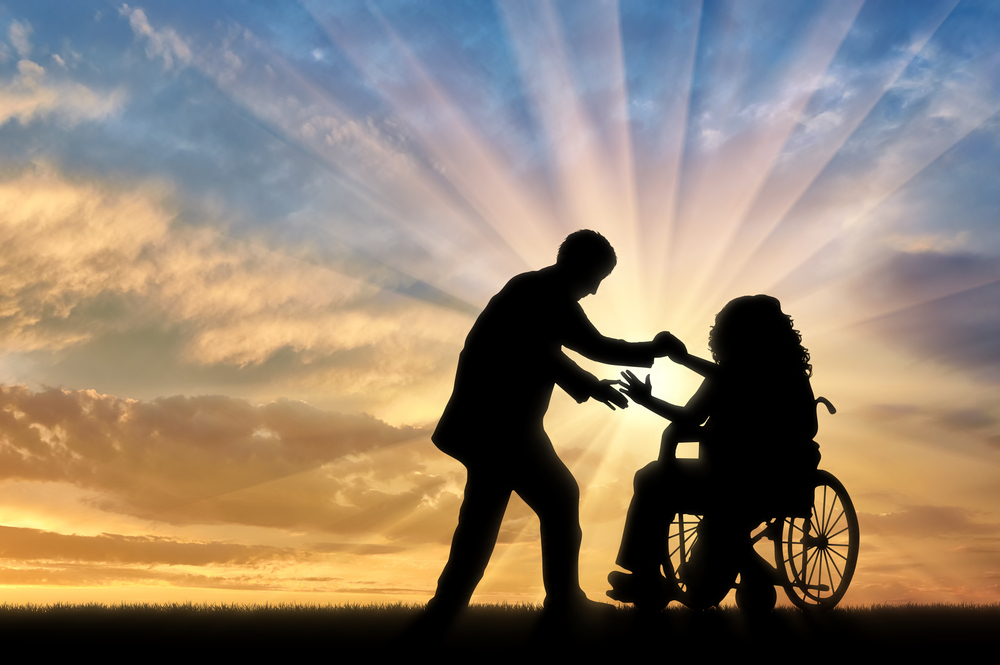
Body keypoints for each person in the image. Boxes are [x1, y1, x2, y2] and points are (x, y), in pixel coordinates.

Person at [427, 230, 681, 622]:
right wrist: (655, 349)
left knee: (485, 518)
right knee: (554, 501)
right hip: (502, 428)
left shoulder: (532, 289)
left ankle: (449, 606)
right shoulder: (546, 294)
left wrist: (592, 387)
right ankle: (560, 602)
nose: (595, 291)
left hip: (492, 426)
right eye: (597, 279)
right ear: (580, 266)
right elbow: (594, 346)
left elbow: (543, 353)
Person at [607, 295, 820, 608]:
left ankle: (648, 574)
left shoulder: (759, 377)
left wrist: (679, 362)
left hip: (748, 482)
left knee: (653, 480)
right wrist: (648, 401)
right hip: (745, 481)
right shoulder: (776, 376)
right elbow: (690, 417)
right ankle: (651, 576)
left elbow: (731, 388)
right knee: (657, 480)